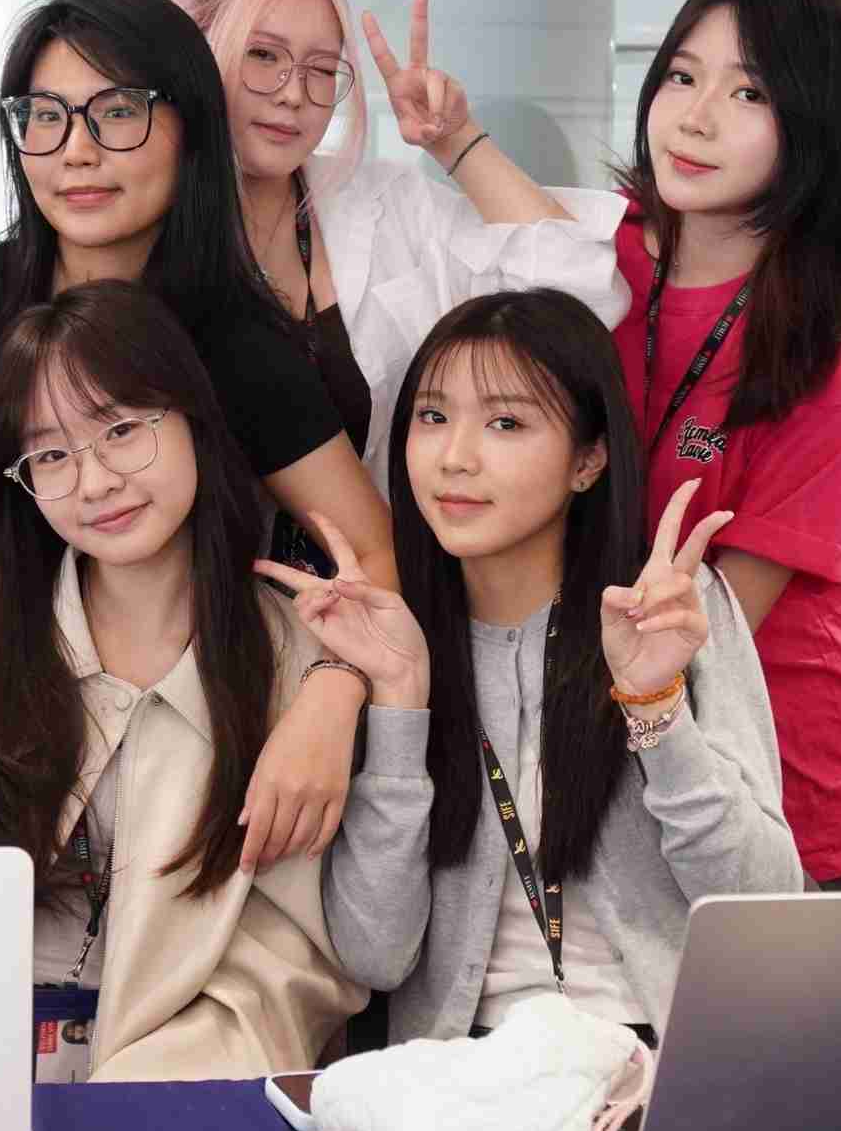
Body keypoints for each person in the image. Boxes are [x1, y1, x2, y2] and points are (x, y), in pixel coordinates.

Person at [0, 0, 396, 859]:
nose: (75, 153)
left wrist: (330, 691)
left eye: (117, 113)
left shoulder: (240, 344)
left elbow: (372, 548)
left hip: (170, 757)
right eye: (43, 116)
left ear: (190, 129)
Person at [0, 282, 363, 1081]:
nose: (94, 482)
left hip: (182, 1080)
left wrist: (142, 1092)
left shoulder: (298, 655)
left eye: (123, 430)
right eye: (51, 455)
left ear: (194, 420)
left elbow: (293, 957)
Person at [294, 290, 800, 1043]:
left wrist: (653, 706)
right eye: (432, 417)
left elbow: (760, 904)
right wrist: (400, 702)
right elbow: (376, 953)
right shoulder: (389, 633)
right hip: (464, 1078)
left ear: (588, 460)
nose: (455, 457)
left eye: (505, 423)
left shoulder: (666, 610)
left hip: (660, 1058)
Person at [610, 0, 841, 891]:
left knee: (815, 1028)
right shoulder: (606, 250)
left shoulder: (829, 351)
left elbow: (726, 621)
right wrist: (454, 138)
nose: (695, 115)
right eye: (681, 75)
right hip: (645, 697)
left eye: (748, 91)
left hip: (798, 727)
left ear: (816, 129)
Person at [168, 0, 628, 523]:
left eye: (321, 68)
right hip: (203, 603)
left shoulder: (381, 205)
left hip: (380, 592)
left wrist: (456, 142)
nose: (293, 94)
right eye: (262, 55)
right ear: (197, 54)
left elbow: (575, 299)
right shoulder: (142, 225)